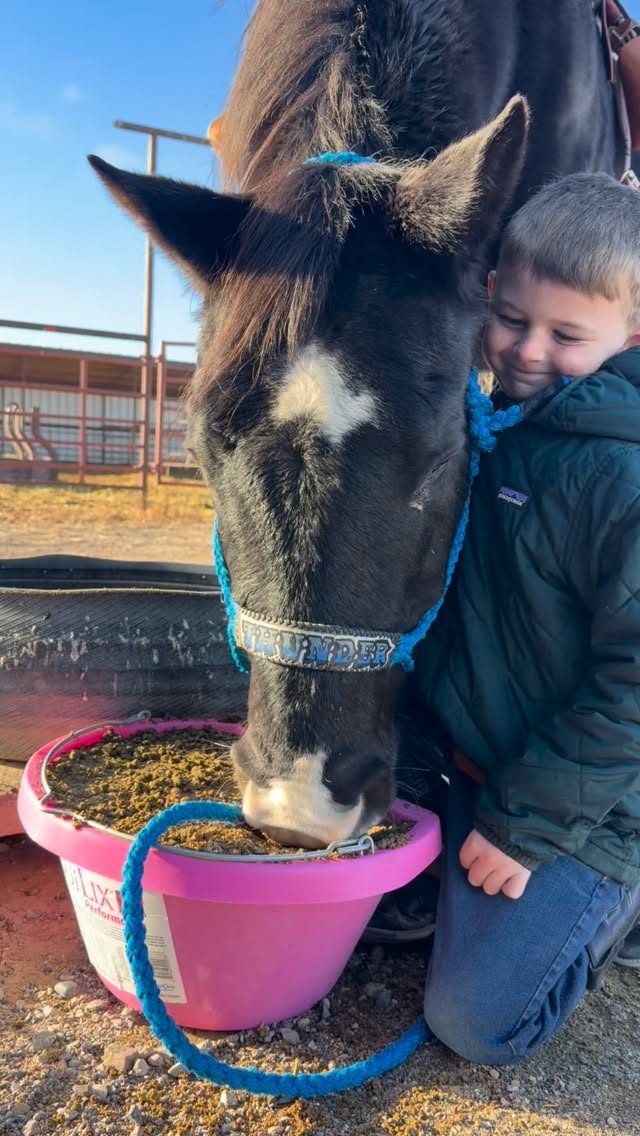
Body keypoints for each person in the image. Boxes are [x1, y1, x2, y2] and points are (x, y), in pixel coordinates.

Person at [371, 171, 640, 1063]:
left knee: (476, 1022)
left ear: (631, 335)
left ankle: (617, 903)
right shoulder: (492, 423)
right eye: (513, 318)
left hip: (590, 800)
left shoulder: (623, 478)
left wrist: (524, 827)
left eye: (567, 335)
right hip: (475, 759)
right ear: (488, 293)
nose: (527, 350)